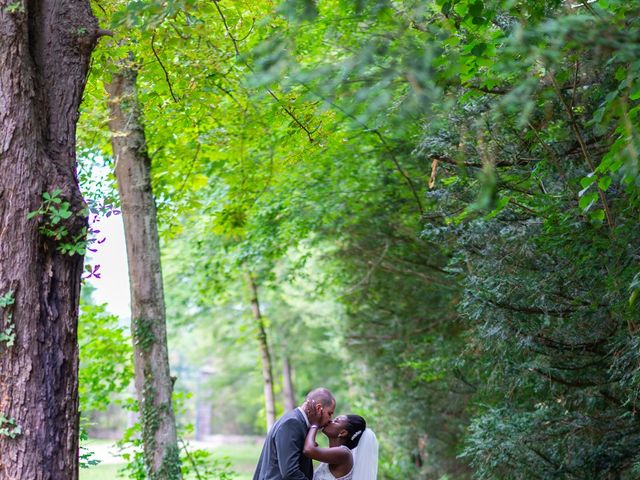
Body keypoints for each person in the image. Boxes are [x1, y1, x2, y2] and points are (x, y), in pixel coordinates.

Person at [253, 388, 336, 480]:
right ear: (318, 408)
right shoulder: (292, 423)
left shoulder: (297, 421)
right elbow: (290, 472)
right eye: (329, 413)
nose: (330, 419)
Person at [303, 414, 378, 480]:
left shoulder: (344, 454)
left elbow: (308, 450)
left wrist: (314, 424)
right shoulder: (334, 453)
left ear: (343, 433)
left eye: (336, 421)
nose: (330, 421)